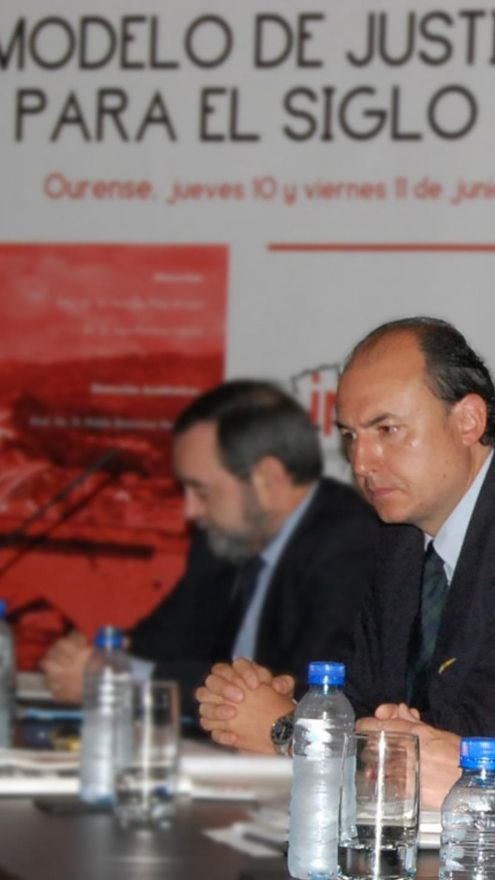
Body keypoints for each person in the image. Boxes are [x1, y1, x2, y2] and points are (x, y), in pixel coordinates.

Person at [196, 317, 495, 806]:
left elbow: (464, 739)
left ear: (468, 421)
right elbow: (366, 700)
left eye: (387, 430)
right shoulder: (400, 541)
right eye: (351, 436)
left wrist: (285, 732)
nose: (361, 463)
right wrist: (298, 708)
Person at [40, 379, 379, 720]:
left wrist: (120, 680)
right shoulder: (225, 538)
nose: (190, 511)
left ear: (268, 478)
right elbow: (160, 644)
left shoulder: (349, 546)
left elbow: (305, 692)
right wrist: (96, 661)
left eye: (201, 492)